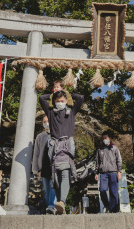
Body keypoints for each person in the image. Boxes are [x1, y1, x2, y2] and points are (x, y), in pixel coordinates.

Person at [39, 87, 84, 215]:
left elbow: (80, 98)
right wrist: (53, 94)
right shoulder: (51, 112)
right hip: (54, 146)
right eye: (58, 100)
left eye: (62, 100)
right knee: (55, 177)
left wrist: (67, 93)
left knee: (65, 173)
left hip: (66, 145)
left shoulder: (71, 111)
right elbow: (42, 98)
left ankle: (62, 201)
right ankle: (60, 204)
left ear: (66, 101)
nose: (60, 102)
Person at [31, 115, 56, 214]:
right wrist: (36, 169)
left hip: (54, 166)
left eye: (48, 121)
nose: (46, 123)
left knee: (52, 186)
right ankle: (47, 207)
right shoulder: (40, 136)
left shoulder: (57, 135)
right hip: (43, 167)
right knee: (46, 189)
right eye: (44, 121)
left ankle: (51, 206)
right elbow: (36, 153)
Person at [95, 131, 122, 213]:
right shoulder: (100, 149)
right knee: (102, 190)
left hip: (113, 172)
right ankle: (107, 205)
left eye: (106, 138)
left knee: (113, 192)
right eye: (103, 138)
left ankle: (114, 210)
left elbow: (119, 160)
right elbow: (97, 162)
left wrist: (119, 171)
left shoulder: (115, 148)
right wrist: (96, 173)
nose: (104, 140)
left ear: (109, 138)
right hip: (103, 173)